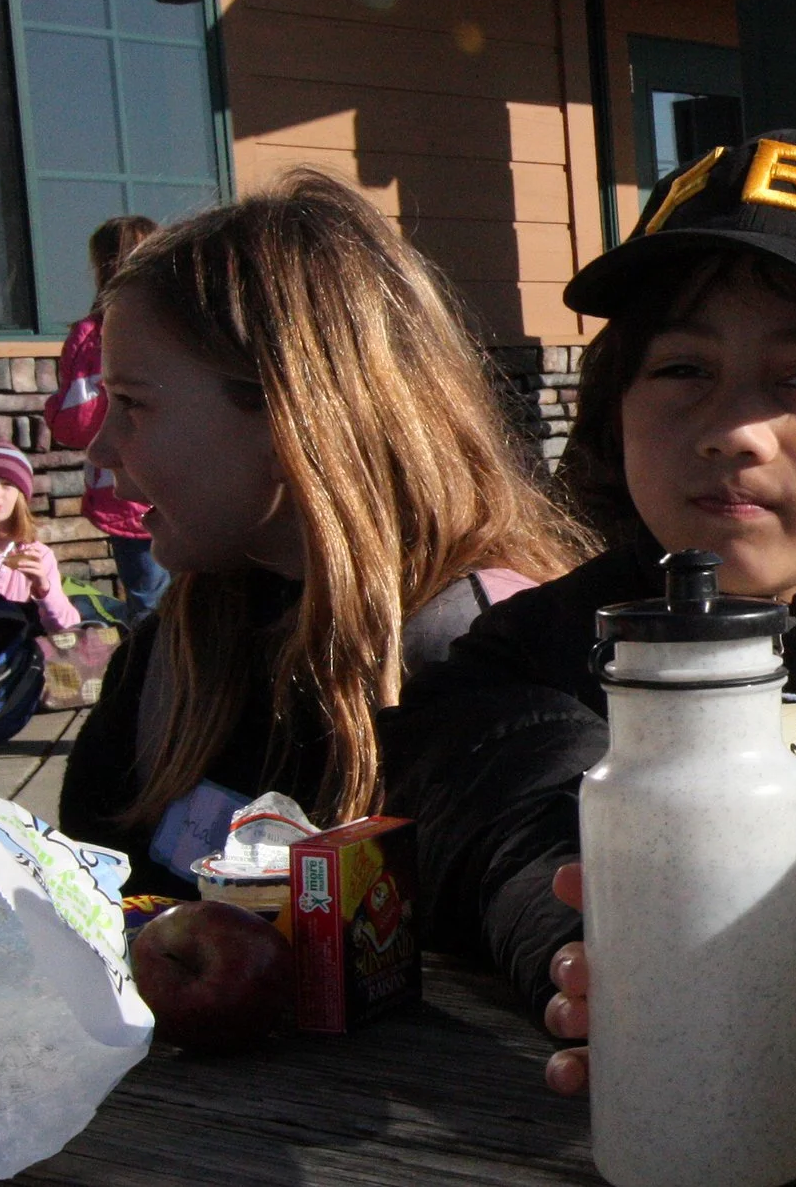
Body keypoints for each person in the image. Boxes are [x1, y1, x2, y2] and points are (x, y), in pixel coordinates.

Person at [376, 130, 796, 1089]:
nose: (734, 431)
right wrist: (592, 943)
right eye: (682, 371)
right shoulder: (520, 655)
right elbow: (510, 825)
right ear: (615, 415)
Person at [55, 172, 592, 898]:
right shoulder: (170, 660)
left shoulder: (491, 668)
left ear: (293, 420)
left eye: (133, 405)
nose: (101, 449)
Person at [47, 214, 168, 624]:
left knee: (149, 608)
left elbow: (74, 424)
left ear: (102, 267)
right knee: (200, 601)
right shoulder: (184, 327)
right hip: (191, 482)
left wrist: (53, 407)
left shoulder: (95, 335)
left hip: (129, 491)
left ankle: (154, 684)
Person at [0, 443, 77, 633]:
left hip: (12, 658)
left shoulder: (37, 554)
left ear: (21, 497)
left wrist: (44, 589)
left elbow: (68, 629)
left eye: (7, 485)